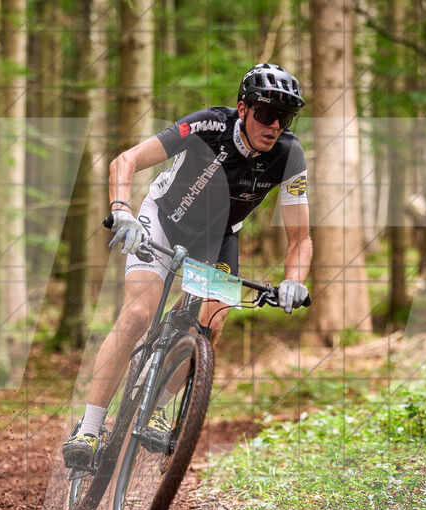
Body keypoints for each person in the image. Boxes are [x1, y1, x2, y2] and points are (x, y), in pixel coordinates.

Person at [62, 63, 312, 468]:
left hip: (217, 238)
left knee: (212, 322)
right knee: (137, 315)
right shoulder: (207, 125)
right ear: (243, 108)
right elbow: (125, 161)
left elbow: (300, 237)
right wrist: (121, 211)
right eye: (267, 114)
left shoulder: (289, 154)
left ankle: (159, 405)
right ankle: (89, 428)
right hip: (161, 220)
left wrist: (293, 280)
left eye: (286, 118)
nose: (275, 126)